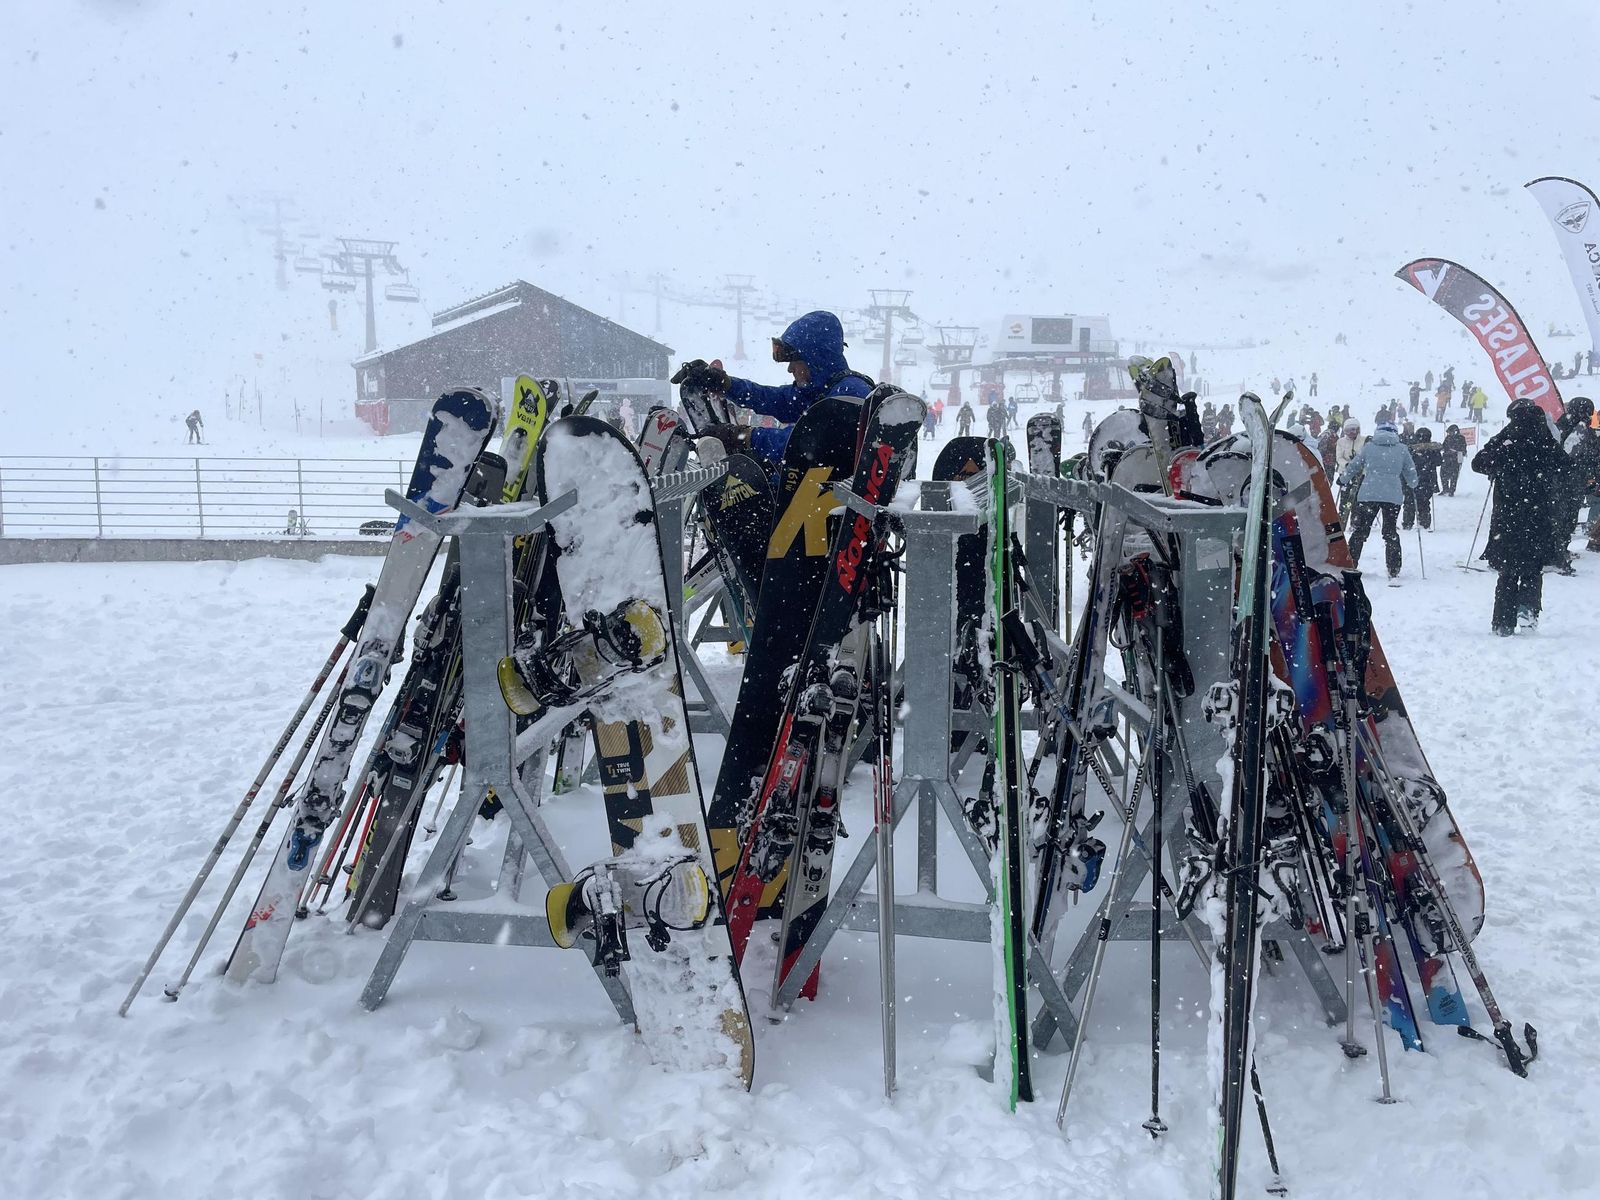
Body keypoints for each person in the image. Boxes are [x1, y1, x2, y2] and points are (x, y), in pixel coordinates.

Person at [673, 310, 874, 467]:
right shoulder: (824, 390)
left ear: (815, 360)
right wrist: (726, 384)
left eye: (794, 361)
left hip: (820, 505)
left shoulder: (849, 395)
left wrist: (744, 437)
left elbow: (805, 443)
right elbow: (774, 399)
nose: (790, 369)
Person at [1472, 400, 1570, 634]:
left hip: (1507, 515)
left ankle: (1502, 622)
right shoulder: (1545, 438)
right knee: (1532, 568)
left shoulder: (1507, 436)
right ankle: (1527, 612)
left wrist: (1501, 461)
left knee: (1507, 570)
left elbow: (1478, 463)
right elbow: (1565, 466)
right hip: (1538, 513)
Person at [1339, 422, 1417, 580]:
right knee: (1390, 533)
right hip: (1392, 496)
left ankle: (1351, 563)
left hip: (1369, 494)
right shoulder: (1402, 449)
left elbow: (1355, 466)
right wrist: (1413, 483)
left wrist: (1343, 479)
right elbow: (1410, 471)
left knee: (1360, 531)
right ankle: (1393, 568)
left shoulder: (1369, 447)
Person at [1405, 428, 1441, 530]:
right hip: (1425, 479)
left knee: (1410, 502)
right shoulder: (1413, 448)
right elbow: (1438, 462)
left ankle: (1409, 523)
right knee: (1422, 503)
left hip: (1416, 479)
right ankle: (1423, 523)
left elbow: (1438, 461)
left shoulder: (1412, 448)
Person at [1439, 424, 1468, 496]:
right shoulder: (1448, 438)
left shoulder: (1461, 438)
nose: (1449, 434)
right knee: (1443, 474)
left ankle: (1452, 490)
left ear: (1455, 432)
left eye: (1450, 432)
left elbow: (1464, 449)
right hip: (1446, 458)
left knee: (1454, 476)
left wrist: (1456, 451)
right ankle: (1445, 489)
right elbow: (1444, 446)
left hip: (1456, 459)